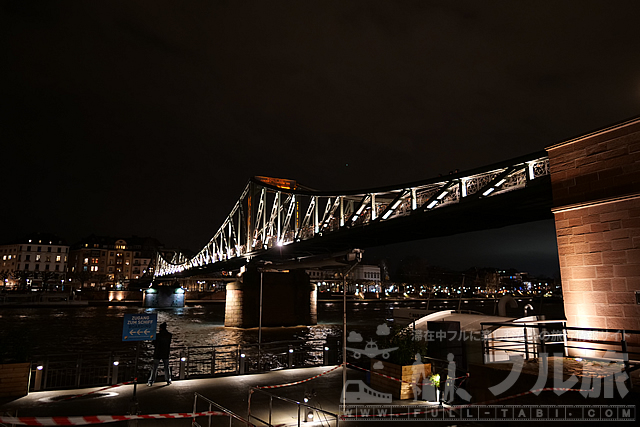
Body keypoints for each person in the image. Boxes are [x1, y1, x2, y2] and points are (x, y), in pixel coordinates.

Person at [147, 322, 172, 386]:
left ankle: (151, 381)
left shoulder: (157, 335)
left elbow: (154, 343)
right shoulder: (169, 335)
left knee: (154, 367)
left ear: (160, 328)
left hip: (157, 353)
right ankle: (168, 379)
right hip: (165, 353)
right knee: (166, 367)